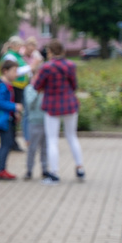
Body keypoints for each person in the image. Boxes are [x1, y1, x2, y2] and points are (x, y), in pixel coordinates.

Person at [32, 39, 84, 184]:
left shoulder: (46, 67)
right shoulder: (71, 65)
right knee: (72, 136)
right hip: (70, 103)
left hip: (52, 106)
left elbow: (36, 86)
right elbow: (74, 85)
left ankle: (54, 173)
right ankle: (80, 168)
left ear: (50, 52)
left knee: (52, 140)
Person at [0, 60, 24, 180]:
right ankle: (0, 170)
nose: (16, 74)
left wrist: (15, 113)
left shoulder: (7, 84)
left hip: (7, 118)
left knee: (6, 144)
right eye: (13, 71)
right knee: (5, 144)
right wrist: (14, 107)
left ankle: (1, 169)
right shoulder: (1, 85)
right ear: (5, 71)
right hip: (2, 119)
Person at [1, 36, 31, 151]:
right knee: (14, 114)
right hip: (14, 87)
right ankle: (11, 142)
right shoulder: (10, 56)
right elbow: (16, 72)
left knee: (17, 115)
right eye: (19, 45)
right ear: (13, 45)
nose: (21, 48)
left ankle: (12, 141)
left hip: (20, 87)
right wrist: (30, 67)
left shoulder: (17, 56)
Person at [23, 83, 48, 180]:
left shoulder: (47, 87)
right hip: (34, 122)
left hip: (47, 121)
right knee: (32, 149)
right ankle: (29, 171)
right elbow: (29, 104)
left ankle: (45, 170)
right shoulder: (29, 89)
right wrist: (37, 92)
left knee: (45, 149)